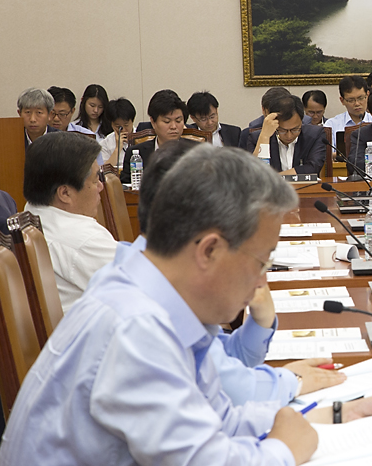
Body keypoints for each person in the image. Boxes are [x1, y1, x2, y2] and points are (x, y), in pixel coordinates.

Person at [0, 146, 372, 466]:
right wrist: (284, 451)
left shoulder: (158, 301)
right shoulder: (136, 325)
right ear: (209, 250)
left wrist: (337, 415)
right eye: (261, 260)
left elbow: (220, 421)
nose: (264, 278)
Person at [134, 140, 344, 406]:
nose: (261, 280)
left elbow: (223, 361)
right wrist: (292, 384)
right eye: (260, 262)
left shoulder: (160, 278)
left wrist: (261, 322)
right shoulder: (144, 319)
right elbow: (225, 403)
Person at [23, 131, 118, 312]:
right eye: (96, 178)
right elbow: (151, 288)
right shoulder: (84, 240)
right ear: (65, 193)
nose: (100, 186)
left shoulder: (31, 211)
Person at [119, 90, 188, 183]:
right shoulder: (136, 154)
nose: (173, 127)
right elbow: (126, 189)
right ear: (153, 122)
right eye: (167, 121)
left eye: (178, 121)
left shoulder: (196, 151)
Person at [248, 95, 326, 175]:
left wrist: (275, 178)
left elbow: (313, 167)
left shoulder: (315, 135)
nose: (289, 136)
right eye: (282, 130)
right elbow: (255, 173)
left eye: (295, 129)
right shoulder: (256, 138)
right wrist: (264, 137)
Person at [99, 97, 136, 172]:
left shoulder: (143, 137)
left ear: (132, 121)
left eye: (126, 125)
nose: (124, 130)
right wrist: (117, 149)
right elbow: (103, 172)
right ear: (112, 124)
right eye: (118, 127)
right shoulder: (105, 143)